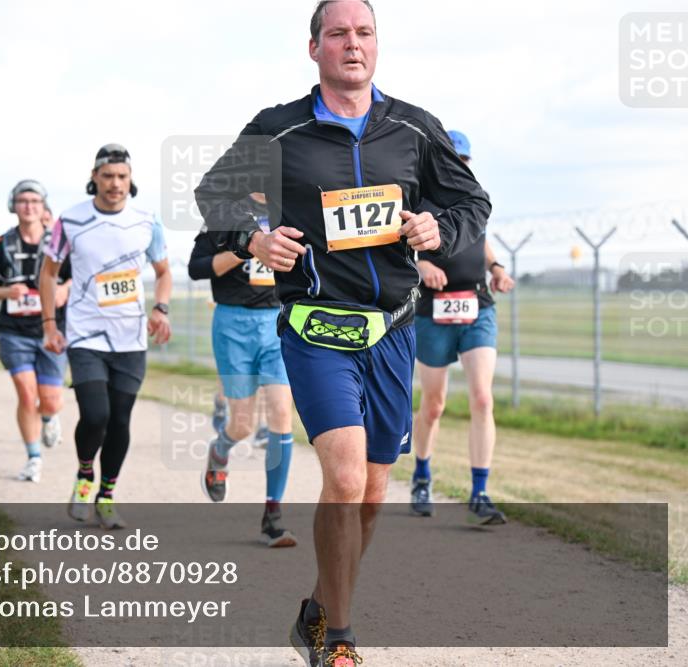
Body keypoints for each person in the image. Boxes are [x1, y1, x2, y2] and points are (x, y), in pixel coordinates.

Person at [193, 2, 491, 663]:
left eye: (364, 33)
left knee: (373, 493)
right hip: (315, 328)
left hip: (391, 330)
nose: (352, 44)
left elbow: (473, 201)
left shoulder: (414, 127)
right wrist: (253, 238)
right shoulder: (278, 128)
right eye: (338, 34)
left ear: (376, 45)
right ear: (314, 48)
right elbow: (215, 194)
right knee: (348, 477)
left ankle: (316, 612)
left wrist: (440, 227)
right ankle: (341, 640)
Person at [41, 143, 172, 530]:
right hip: (85, 335)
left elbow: (163, 272)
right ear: (94, 178)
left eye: (122, 177)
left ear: (130, 180)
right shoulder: (70, 220)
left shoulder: (147, 221)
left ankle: (107, 495)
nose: (115, 183)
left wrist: (161, 309)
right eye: (108, 176)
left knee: (120, 420)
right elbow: (48, 273)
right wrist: (49, 324)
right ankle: (85, 475)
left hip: (130, 338)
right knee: (96, 414)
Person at [410, 130, 515, 525]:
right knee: (433, 405)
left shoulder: (473, 198)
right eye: (453, 160)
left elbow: (480, 239)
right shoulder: (419, 201)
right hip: (432, 311)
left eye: (464, 161)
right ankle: (422, 476)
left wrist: (496, 268)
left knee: (483, 399)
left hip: (477, 307)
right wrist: (421, 264)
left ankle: (480, 493)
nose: (459, 167)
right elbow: (400, 249)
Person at [189, 192, 297, 548]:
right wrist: (246, 247)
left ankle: (273, 513)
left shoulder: (290, 209)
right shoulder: (225, 213)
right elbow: (197, 268)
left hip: (278, 321)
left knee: (281, 413)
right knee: (242, 425)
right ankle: (220, 451)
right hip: (232, 324)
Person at [0, 180, 72, 484]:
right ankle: (33, 458)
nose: (29, 206)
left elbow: (77, 276)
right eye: (23, 201)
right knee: (26, 393)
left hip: (52, 330)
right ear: (14, 206)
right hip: (14, 331)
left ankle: (49, 416)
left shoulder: (59, 243)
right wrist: (6, 292)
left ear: (43, 206)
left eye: (35, 201)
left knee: (50, 400)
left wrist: (63, 290)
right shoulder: (2, 244)